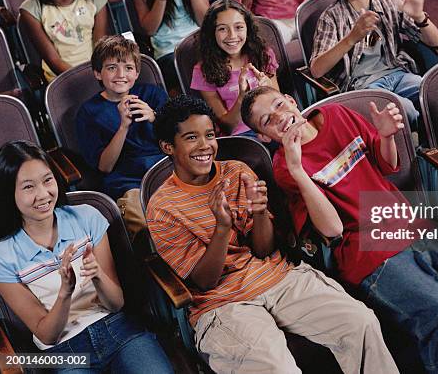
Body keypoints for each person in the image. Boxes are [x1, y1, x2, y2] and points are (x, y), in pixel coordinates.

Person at [241, 86, 438, 374]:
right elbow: (332, 229)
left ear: (291, 100)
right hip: (364, 249)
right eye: (268, 121)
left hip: (406, 221)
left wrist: (386, 136)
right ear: (264, 137)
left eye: (279, 106)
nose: (280, 118)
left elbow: (389, 165)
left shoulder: (336, 115)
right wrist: (299, 170)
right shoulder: (285, 167)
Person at [147, 94, 398, 373]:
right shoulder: (162, 209)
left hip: (278, 278)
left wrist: (258, 212)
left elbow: (264, 249)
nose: (206, 146)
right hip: (224, 304)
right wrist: (222, 227)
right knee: (278, 368)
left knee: (360, 322)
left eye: (209, 135)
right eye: (192, 138)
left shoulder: (238, 171)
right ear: (168, 146)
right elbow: (205, 281)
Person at [0, 140, 173, 373]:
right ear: (9, 192)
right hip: (61, 352)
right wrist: (65, 293)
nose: (43, 194)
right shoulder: (3, 255)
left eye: (47, 180)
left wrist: (98, 275)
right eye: (28, 187)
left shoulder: (87, 217)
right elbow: (47, 335)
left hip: (117, 328)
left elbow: (116, 304)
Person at [310, 0, 438, 127]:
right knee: (405, 110)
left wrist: (419, 17)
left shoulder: (388, 1)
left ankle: (435, 149)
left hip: (398, 74)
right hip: (363, 87)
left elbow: (436, 42)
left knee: (434, 94)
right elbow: (316, 69)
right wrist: (351, 38)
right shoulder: (331, 17)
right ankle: (415, 151)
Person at [76, 35, 168, 237]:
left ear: (136, 72)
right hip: (127, 184)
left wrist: (154, 118)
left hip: (166, 171)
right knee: (148, 228)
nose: (120, 74)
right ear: (98, 74)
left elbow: (176, 140)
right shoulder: (88, 112)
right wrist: (123, 127)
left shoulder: (152, 94)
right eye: (111, 68)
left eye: (128, 68)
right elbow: (104, 167)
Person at [191, 0, 280, 137]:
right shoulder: (202, 70)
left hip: (272, 123)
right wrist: (242, 98)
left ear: (248, 28)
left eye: (238, 27)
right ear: (212, 33)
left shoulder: (263, 54)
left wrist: (267, 88)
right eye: (222, 29)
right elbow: (227, 127)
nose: (232, 36)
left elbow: (279, 103)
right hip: (242, 134)